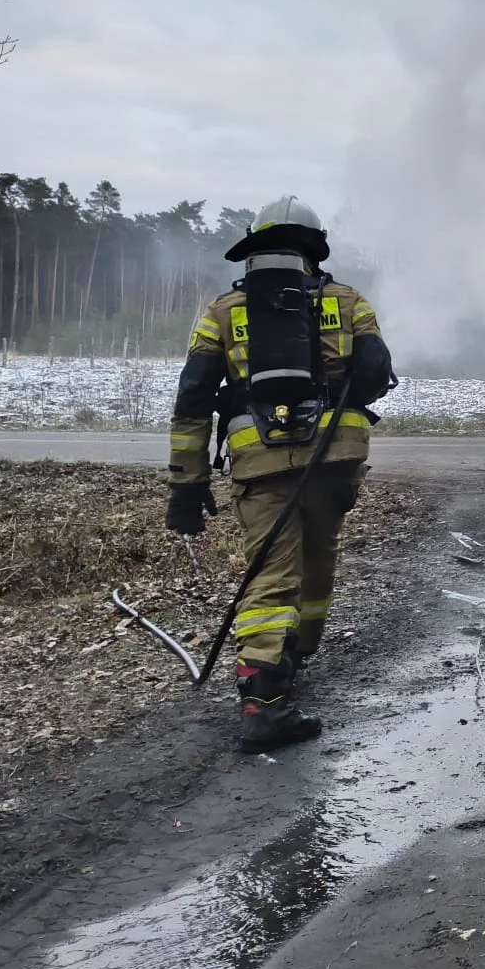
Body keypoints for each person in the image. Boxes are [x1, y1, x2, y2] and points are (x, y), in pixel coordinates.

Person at [166, 196, 394, 753]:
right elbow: (374, 374)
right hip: (335, 460)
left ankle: (264, 698)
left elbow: (193, 397)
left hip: (258, 463)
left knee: (270, 574)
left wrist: (186, 482)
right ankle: (291, 665)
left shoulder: (222, 312)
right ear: (313, 250)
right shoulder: (349, 302)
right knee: (318, 558)